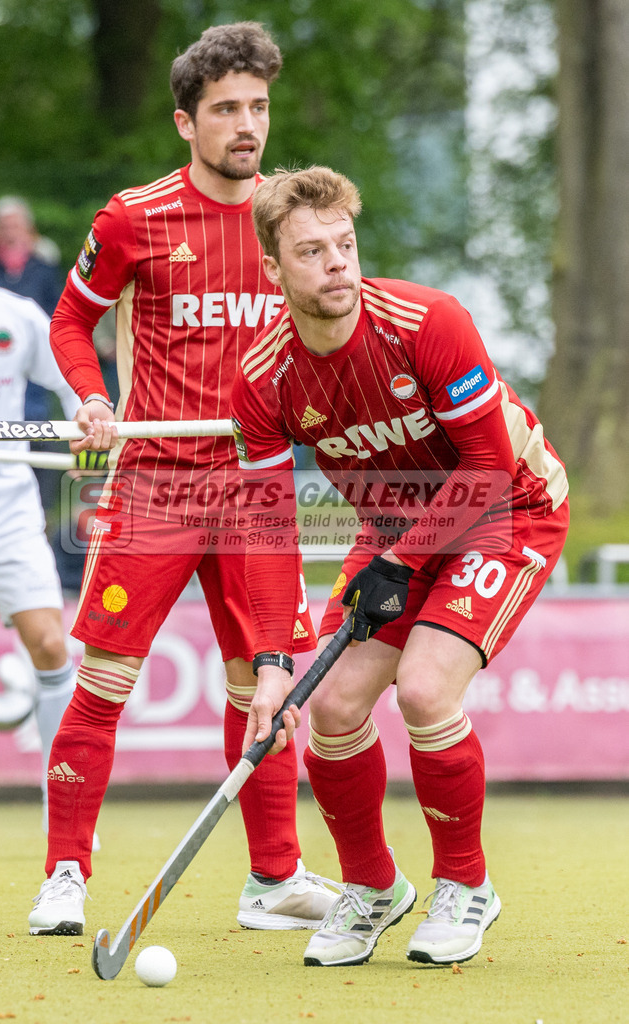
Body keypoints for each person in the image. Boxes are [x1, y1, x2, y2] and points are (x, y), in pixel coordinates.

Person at [28, 23, 337, 938]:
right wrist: (91, 398)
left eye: (258, 107)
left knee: (266, 689)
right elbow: (68, 325)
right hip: (157, 481)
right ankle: (64, 876)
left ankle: (272, 879)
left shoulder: (293, 224)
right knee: (107, 679)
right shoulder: (133, 218)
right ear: (184, 121)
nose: (248, 125)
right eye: (227, 110)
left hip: (260, 485)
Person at [229, 166, 570, 968]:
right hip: (396, 527)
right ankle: (372, 888)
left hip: (507, 508)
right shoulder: (262, 379)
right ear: (274, 271)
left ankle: (465, 884)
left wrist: (398, 557)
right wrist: (272, 664)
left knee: (422, 688)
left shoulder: (426, 321)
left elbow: (486, 464)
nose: (338, 264)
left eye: (344, 245)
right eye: (311, 252)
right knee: (334, 706)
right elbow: (267, 528)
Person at [0, 193, 81, 830]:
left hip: (7, 508)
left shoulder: (18, 316)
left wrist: (92, 414)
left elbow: (73, 386)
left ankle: (67, 808)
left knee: (51, 646)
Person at [0, 195, 65, 512]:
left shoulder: (43, 267)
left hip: (33, 364)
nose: (10, 230)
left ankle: (37, 509)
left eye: (15, 224)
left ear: (28, 227)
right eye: (4, 224)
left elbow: (57, 312)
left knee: (36, 432)